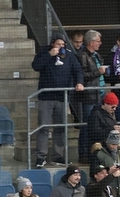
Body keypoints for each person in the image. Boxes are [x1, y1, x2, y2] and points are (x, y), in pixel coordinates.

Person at [33, 35, 84, 168]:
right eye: (58, 44)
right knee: (43, 127)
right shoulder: (44, 52)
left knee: (60, 128)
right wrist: (49, 55)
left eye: (63, 44)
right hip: (46, 97)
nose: (61, 47)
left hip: (62, 97)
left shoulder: (69, 55)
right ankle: (40, 157)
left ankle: (58, 156)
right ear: (52, 44)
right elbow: (36, 66)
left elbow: (78, 69)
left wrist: (79, 82)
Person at [80, 91, 120, 164]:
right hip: (100, 149)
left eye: (116, 107)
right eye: (113, 106)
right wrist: (112, 129)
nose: (114, 109)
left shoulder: (110, 114)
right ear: (106, 104)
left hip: (109, 148)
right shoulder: (95, 115)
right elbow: (94, 133)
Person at [75, 29, 108, 124]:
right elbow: (82, 75)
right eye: (98, 41)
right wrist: (98, 72)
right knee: (88, 123)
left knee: (98, 122)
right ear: (91, 42)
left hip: (100, 93)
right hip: (89, 95)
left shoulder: (96, 55)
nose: (100, 43)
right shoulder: (82, 55)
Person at [93, 130, 120, 194]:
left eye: (116, 144)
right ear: (107, 142)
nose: (114, 147)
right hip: (105, 188)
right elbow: (93, 172)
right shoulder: (98, 153)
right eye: (112, 144)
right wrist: (108, 171)